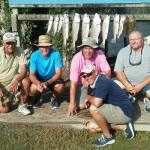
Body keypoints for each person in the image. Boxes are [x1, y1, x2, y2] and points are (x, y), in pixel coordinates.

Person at [81, 64, 134, 147]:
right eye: (84, 76)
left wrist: (87, 96)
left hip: (124, 112)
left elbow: (97, 103)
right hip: (116, 109)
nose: (87, 77)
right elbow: (103, 103)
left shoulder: (101, 81)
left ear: (95, 72)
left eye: (89, 74)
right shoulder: (95, 83)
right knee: (92, 127)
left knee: (93, 108)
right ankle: (123, 126)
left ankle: (108, 137)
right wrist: (93, 117)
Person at [68, 37, 111, 116]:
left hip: (98, 83)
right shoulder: (76, 59)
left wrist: (100, 82)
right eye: (86, 48)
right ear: (82, 49)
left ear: (95, 49)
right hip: (83, 85)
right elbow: (73, 84)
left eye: (90, 48)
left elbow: (108, 72)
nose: (88, 51)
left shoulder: (100, 54)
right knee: (81, 106)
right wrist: (72, 103)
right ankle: (93, 100)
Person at [114, 30, 150, 112]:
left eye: (136, 39)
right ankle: (129, 96)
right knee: (112, 84)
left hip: (146, 83)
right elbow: (118, 71)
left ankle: (147, 99)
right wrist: (127, 84)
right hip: (127, 85)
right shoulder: (123, 51)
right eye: (131, 40)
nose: (134, 42)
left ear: (142, 39)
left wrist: (140, 85)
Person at [29, 35, 64, 109]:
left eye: (46, 46)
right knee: (33, 88)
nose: (44, 48)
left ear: (50, 46)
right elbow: (31, 74)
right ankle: (38, 96)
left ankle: (55, 97)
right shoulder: (34, 55)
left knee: (60, 86)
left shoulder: (56, 54)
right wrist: (38, 83)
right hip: (39, 78)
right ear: (39, 47)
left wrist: (47, 82)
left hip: (52, 78)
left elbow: (59, 73)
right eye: (42, 46)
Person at [0, 32, 31, 115]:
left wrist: (17, 80)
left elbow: (24, 70)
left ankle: (22, 106)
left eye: (13, 43)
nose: (11, 45)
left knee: (26, 80)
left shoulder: (20, 51)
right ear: (3, 43)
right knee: (5, 109)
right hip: (1, 85)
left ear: (16, 43)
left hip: (13, 83)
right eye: (8, 43)